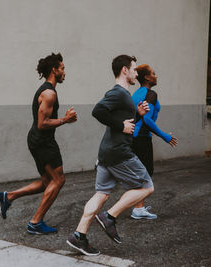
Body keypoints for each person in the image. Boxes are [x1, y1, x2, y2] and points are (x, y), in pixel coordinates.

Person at [66, 55, 154, 256]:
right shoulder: (118, 93)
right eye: (133, 69)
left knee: (102, 193)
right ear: (124, 70)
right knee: (147, 186)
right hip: (118, 152)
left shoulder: (124, 96)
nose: (136, 73)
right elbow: (98, 111)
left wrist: (137, 115)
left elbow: (122, 120)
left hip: (107, 152)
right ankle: (110, 217)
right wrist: (121, 125)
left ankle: (78, 236)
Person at [0, 53, 77, 234]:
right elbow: (42, 124)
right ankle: (35, 222)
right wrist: (66, 119)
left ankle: (8, 196)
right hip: (43, 141)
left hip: (40, 140)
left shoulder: (49, 91)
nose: (65, 72)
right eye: (62, 69)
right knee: (59, 179)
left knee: (47, 181)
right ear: (54, 70)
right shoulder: (49, 93)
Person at [130, 64, 178, 220]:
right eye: (154, 73)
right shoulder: (150, 94)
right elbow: (146, 119)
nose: (156, 76)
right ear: (147, 77)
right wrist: (165, 136)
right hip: (141, 138)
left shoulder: (137, 93)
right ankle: (138, 208)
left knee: (141, 172)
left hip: (136, 137)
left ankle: (139, 206)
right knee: (145, 172)